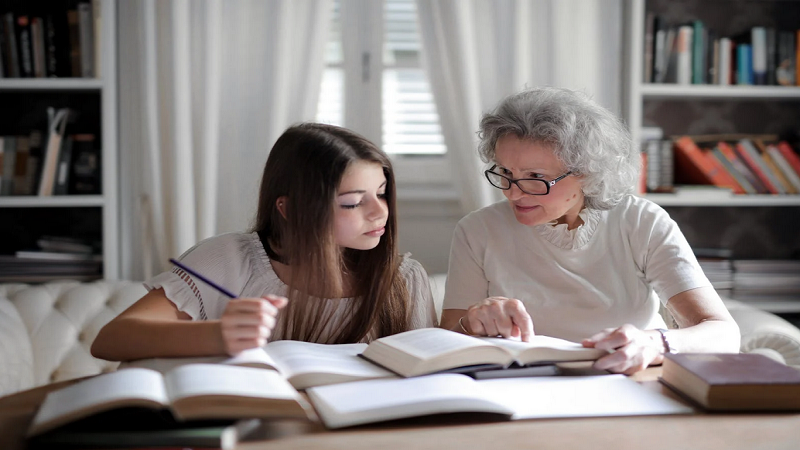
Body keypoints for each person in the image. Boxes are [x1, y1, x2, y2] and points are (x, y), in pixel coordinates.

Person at [440, 87, 740, 374]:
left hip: (627, 382)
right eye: (505, 172)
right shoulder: (477, 230)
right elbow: (446, 341)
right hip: (520, 385)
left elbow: (724, 333)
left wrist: (655, 342)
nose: (514, 194)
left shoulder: (641, 222)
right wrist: (473, 322)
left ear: (586, 173)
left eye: (535, 177)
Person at [92, 123, 437, 361]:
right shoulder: (229, 260)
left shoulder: (404, 278)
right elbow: (111, 339)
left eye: (381, 194)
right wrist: (217, 335)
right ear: (290, 208)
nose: (380, 213)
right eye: (352, 202)